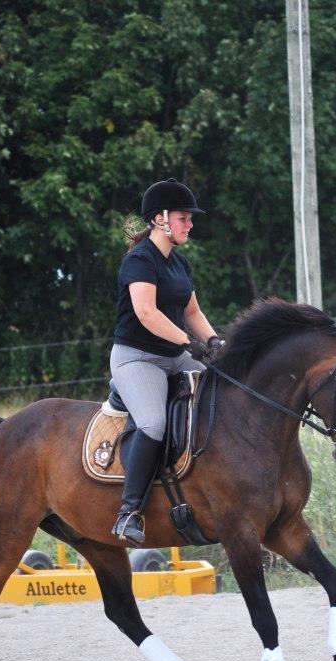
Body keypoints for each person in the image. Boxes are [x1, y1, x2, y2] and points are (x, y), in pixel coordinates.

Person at [110, 178, 224, 545]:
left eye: (190, 218)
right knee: (154, 423)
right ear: (160, 218)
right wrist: (189, 342)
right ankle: (128, 512)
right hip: (137, 359)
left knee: (224, 395)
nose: (190, 224)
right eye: (183, 218)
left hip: (175, 357)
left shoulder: (179, 262)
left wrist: (214, 342)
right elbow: (147, 313)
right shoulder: (139, 259)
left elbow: (192, 311)